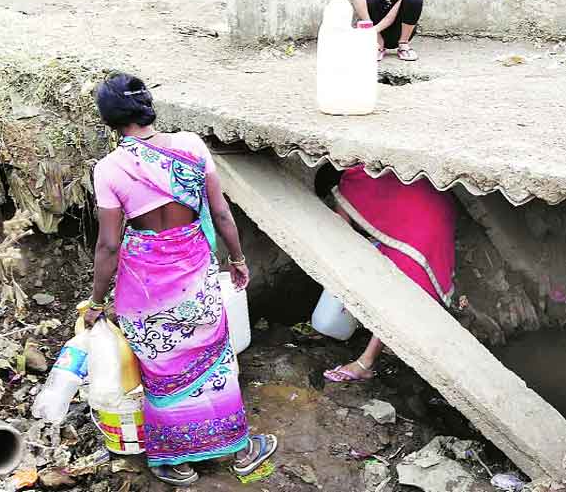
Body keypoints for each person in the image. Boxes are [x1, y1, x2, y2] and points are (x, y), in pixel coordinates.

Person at [83, 73, 278, 486]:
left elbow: (109, 247)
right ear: (148, 106)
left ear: (109, 119)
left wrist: (97, 302)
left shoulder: (110, 169)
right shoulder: (190, 146)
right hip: (196, 273)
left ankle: (175, 461)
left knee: (161, 367)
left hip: (144, 285)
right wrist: (238, 259)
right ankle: (240, 451)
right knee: (213, 362)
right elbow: (221, 213)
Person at [323, 166, 457, 382]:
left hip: (419, 232)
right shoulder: (369, 172)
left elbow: (343, 236)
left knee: (396, 297)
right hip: (437, 213)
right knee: (402, 284)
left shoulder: (346, 187)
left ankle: (364, 363)